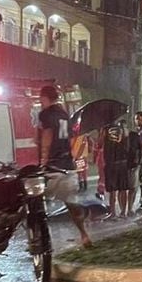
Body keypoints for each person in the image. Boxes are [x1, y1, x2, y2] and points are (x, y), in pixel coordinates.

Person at [38, 86, 91, 247]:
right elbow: (69, 139)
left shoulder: (46, 114)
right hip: (67, 165)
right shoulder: (64, 114)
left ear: (45, 97)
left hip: (52, 166)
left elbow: (47, 137)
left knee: (35, 202)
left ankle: (39, 239)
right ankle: (84, 235)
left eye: (41, 99)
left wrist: (43, 160)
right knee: (71, 203)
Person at [103, 120, 130, 218]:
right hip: (121, 163)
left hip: (112, 163)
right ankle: (122, 212)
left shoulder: (106, 129)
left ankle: (113, 213)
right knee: (121, 189)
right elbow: (127, 146)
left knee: (113, 190)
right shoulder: (123, 129)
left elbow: (102, 145)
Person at [126, 117, 142, 216]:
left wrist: (139, 161)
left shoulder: (134, 136)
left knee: (133, 188)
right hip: (126, 166)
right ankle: (128, 209)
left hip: (133, 165)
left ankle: (129, 209)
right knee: (130, 188)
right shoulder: (121, 139)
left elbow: (141, 150)